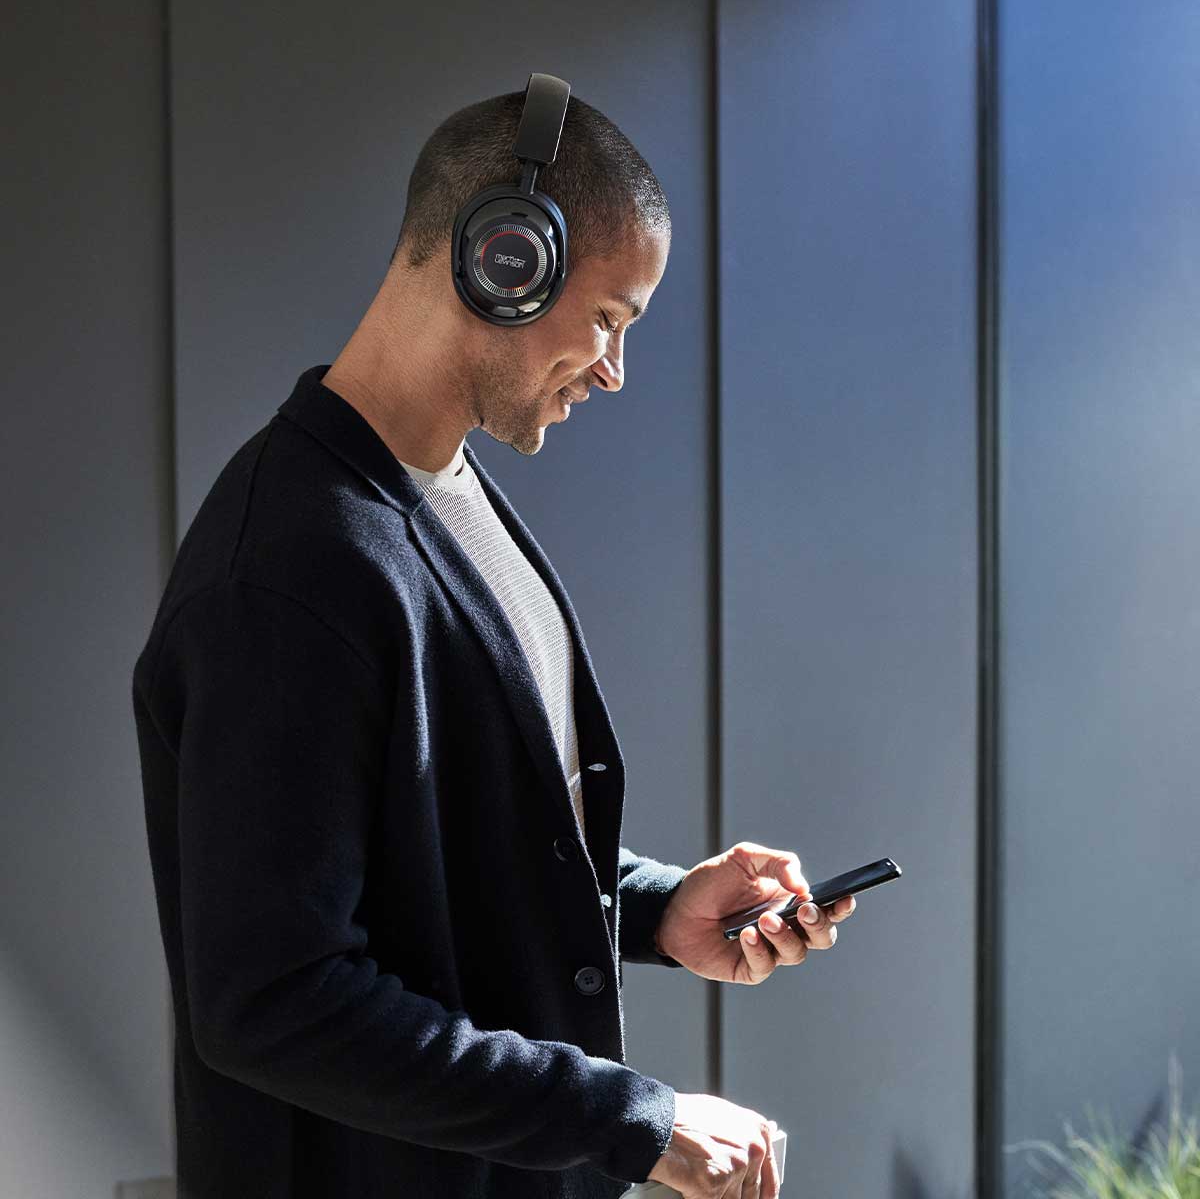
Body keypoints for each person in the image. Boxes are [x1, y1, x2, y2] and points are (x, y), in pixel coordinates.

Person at [131, 85, 856, 1199]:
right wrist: (635, 1120)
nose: (614, 369)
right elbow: (273, 1000)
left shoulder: (446, 496)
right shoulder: (284, 575)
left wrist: (659, 908)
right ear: (503, 260)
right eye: (609, 318)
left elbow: (440, 849)